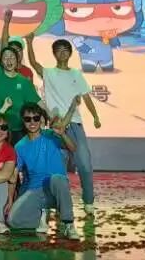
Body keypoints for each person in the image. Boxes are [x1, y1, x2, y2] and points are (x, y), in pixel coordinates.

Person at [25, 34, 102, 211]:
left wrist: (95, 117)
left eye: (66, 50)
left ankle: (88, 201)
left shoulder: (76, 73)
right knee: (57, 169)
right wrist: (29, 42)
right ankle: (58, 202)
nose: (62, 53)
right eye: (59, 50)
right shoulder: (49, 73)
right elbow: (34, 63)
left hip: (74, 124)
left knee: (84, 163)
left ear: (70, 53)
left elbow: (86, 97)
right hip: (55, 126)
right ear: (54, 53)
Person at [8, 103, 79, 240]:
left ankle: (68, 224)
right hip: (36, 190)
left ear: (40, 119)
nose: (32, 122)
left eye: (35, 118)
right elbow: (14, 173)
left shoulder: (51, 135)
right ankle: (41, 215)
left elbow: (73, 148)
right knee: (13, 220)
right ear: (23, 121)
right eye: (28, 119)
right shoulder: (19, 146)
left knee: (58, 179)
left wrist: (63, 134)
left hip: (55, 187)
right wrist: (10, 199)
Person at [0, 19, 41, 145]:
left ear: (17, 59)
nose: (9, 60)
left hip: (19, 130)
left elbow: (38, 102)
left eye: (12, 57)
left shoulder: (24, 81)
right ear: (1, 61)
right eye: (5, 58)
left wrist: (52, 115)